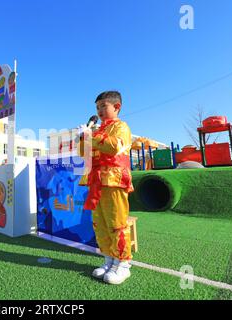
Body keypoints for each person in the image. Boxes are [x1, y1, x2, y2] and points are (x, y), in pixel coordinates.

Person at [79, 91, 134, 285]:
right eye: (97, 108)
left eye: (104, 106)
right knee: (99, 223)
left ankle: (123, 263)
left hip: (114, 179)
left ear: (116, 107)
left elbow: (113, 147)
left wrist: (91, 137)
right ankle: (109, 260)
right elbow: (83, 154)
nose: (100, 110)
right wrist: (83, 139)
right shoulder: (98, 130)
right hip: (96, 180)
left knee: (116, 222)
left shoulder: (121, 127)